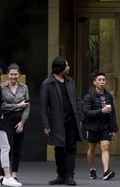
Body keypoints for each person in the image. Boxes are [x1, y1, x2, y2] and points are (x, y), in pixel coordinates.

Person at [40, 56, 83, 186]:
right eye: (66, 65)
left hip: (71, 120)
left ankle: (70, 176)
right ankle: (61, 175)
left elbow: (76, 100)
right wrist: (46, 124)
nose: (69, 67)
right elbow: (43, 106)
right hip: (56, 121)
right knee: (59, 148)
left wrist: (80, 117)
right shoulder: (47, 83)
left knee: (71, 148)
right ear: (60, 68)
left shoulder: (70, 81)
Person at [0, 63, 30, 184]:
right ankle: (2, 175)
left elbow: (27, 107)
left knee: (17, 149)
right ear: (7, 75)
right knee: (7, 148)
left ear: (19, 74)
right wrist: (17, 105)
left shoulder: (24, 87)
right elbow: (2, 106)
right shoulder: (2, 87)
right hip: (7, 120)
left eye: (16, 74)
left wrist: (22, 122)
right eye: (11, 74)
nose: (13, 77)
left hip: (20, 120)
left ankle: (14, 174)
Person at [82, 72, 118, 181]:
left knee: (105, 147)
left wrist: (113, 129)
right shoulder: (89, 96)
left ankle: (106, 171)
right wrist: (101, 111)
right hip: (92, 127)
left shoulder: (108, 96)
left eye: (104, 80)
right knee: (91, 149)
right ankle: (92, 169)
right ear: (94, 82)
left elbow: (112, 113)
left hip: (105, 126)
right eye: (99, 80)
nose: (102, 82)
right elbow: (86, 113)